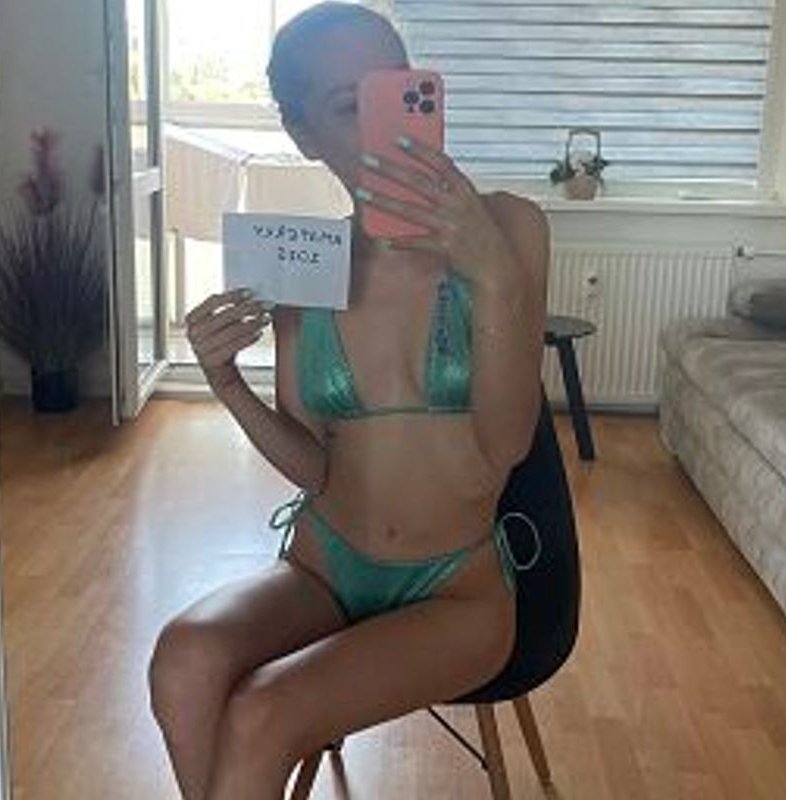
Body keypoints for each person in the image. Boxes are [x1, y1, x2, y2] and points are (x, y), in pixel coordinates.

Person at [148, 3, 549, 797]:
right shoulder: (309, 265)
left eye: (394, 87)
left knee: (262, 715)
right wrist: (228, 384)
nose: (384, 125)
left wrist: (492, 274)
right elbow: (316, 469)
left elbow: (507, 444)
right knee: (182, 662)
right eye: (347, 106)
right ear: (304, 136)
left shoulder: (510, 228)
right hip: (325, 567)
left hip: (456, 590)